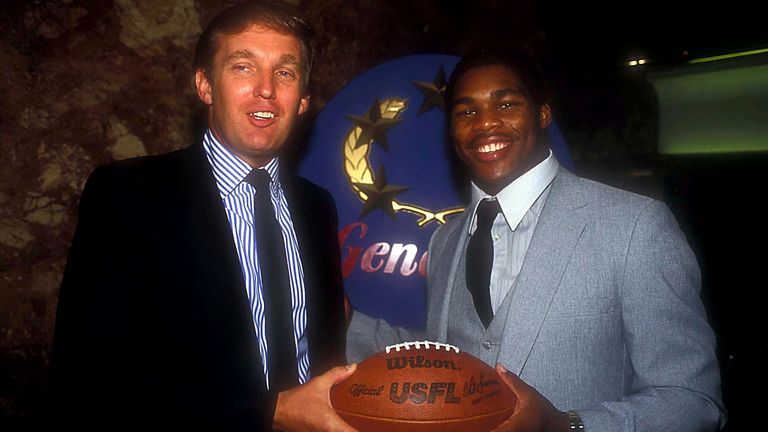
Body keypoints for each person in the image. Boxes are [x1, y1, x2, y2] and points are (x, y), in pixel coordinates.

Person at [346, 48, 726, 431]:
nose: (485, 124)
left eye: (507, 104)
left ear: (543, 113)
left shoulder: (635, 227)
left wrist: (567, 425)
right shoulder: (445, 240)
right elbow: (451, 354)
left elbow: (692, 400)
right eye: (466, 111)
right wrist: (346, 323)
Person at [50, 2, 356, 430]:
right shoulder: (129, 194)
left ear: (303, 100)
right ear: (205, 85)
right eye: (243, 67)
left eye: (285, 72)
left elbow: (323, 362)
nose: (266, 89)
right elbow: (90, 374)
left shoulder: (317, 206)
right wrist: (273, 411)